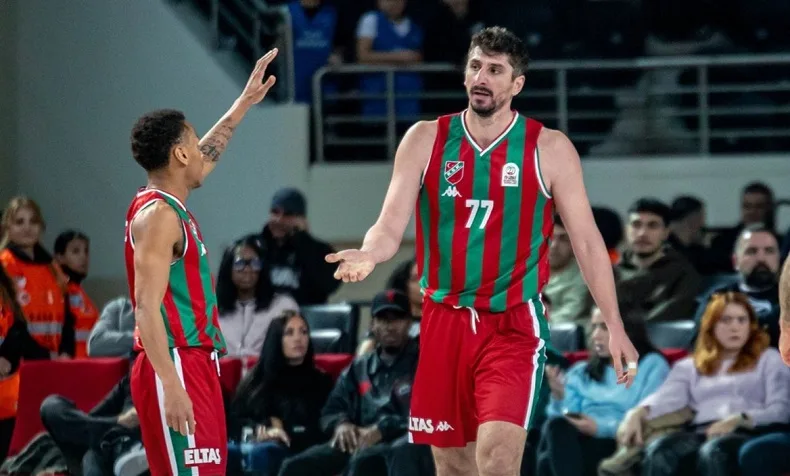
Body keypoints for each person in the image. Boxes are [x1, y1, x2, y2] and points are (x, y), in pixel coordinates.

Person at [326, 26, 638, 476]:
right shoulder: (425, 138)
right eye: (475, 66)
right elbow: (390, 225)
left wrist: (615, 324)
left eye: (495, 70)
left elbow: (588, 243)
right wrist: (369, 254)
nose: (481, 78)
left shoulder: (548, 148)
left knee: (496, 458)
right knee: (453, 466)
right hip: (442, 320)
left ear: (517, 84)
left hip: (511, 324)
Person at [123, 49, 279, 476]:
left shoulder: (168, 205)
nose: (200, 149)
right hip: (176, 360)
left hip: (192, 360)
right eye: (192, 142)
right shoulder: (159, 217)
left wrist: (242, 104)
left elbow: (209, 154)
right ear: (179, 155)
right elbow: (145, 308)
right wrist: (172, 385)